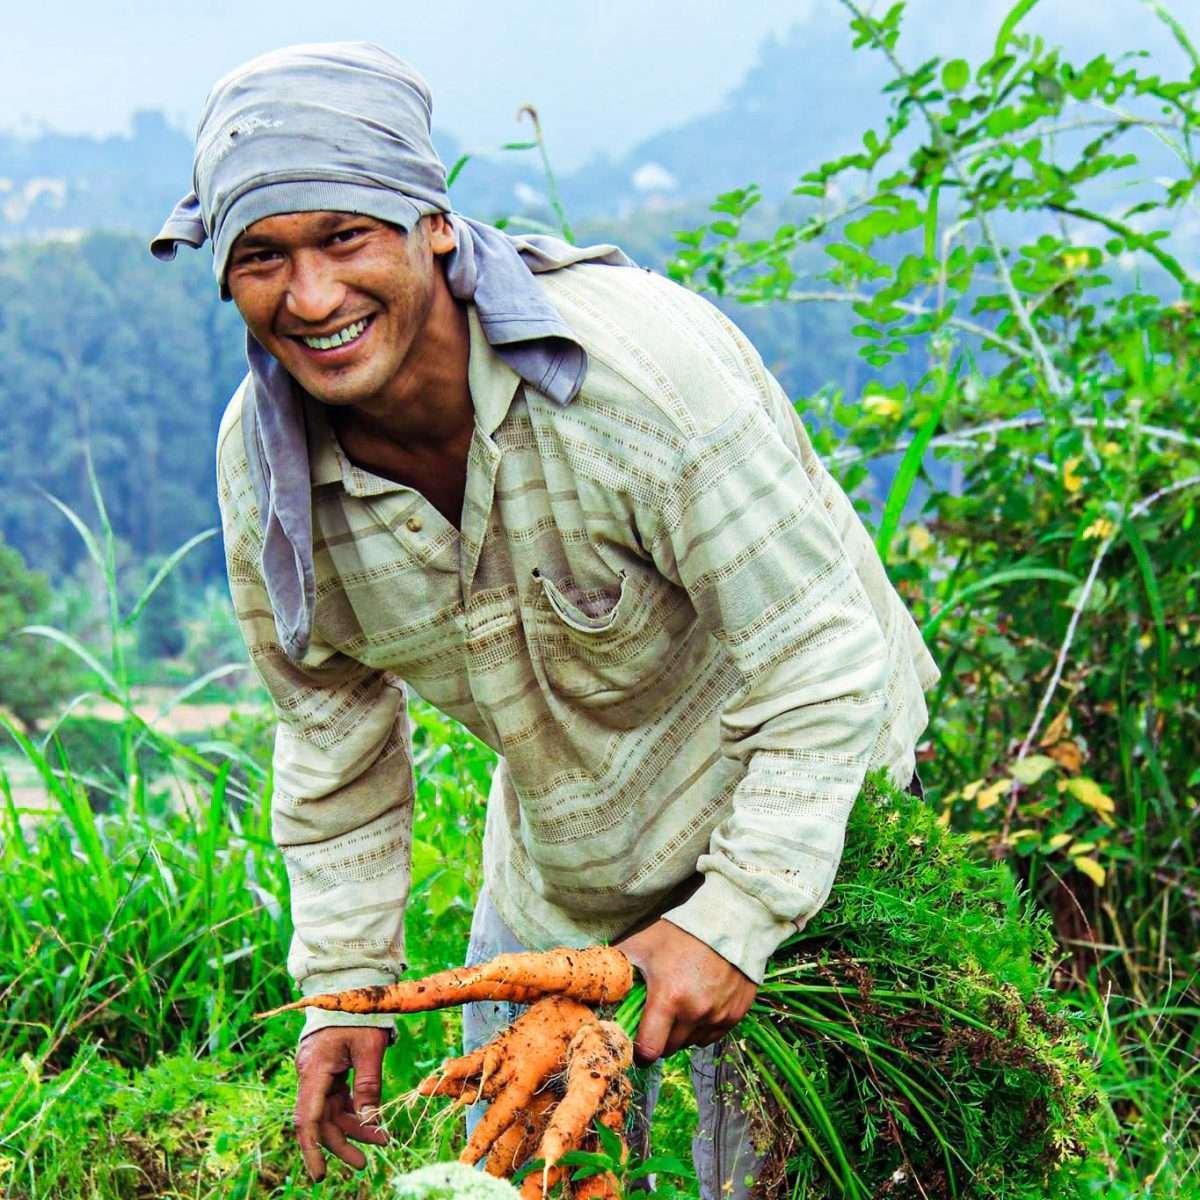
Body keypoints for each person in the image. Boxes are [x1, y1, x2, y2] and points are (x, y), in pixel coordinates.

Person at [152, 41, 939, 1200]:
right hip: (570, 869)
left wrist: (735, 920)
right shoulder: (265, 475)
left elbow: (825, 664)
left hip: (813, 825)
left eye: (345, 239)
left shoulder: (633, 374)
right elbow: (332, 742)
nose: (309, 298)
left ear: (430, 222)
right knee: (512, 1175)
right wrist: (339, 984)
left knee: (790, 1174)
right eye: (264, 256)